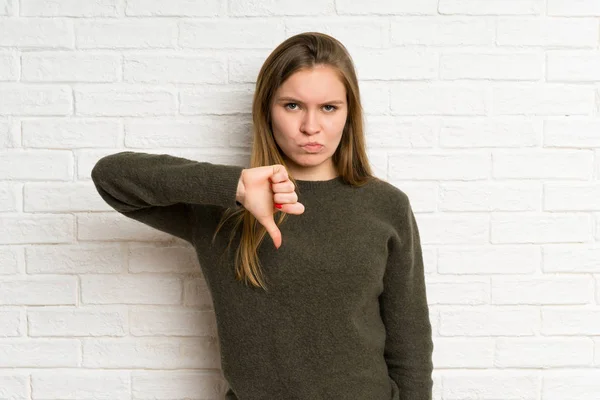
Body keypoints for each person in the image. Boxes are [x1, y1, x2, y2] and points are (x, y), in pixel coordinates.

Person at [91, 31, 434, 400]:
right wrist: (234, 187)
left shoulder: (386, 206)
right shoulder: (222, 206)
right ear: (266, 110)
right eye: (292, 106)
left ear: (349, 114)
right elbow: (111, 177)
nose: (310, 126)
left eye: (329, 107)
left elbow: (410, 346)